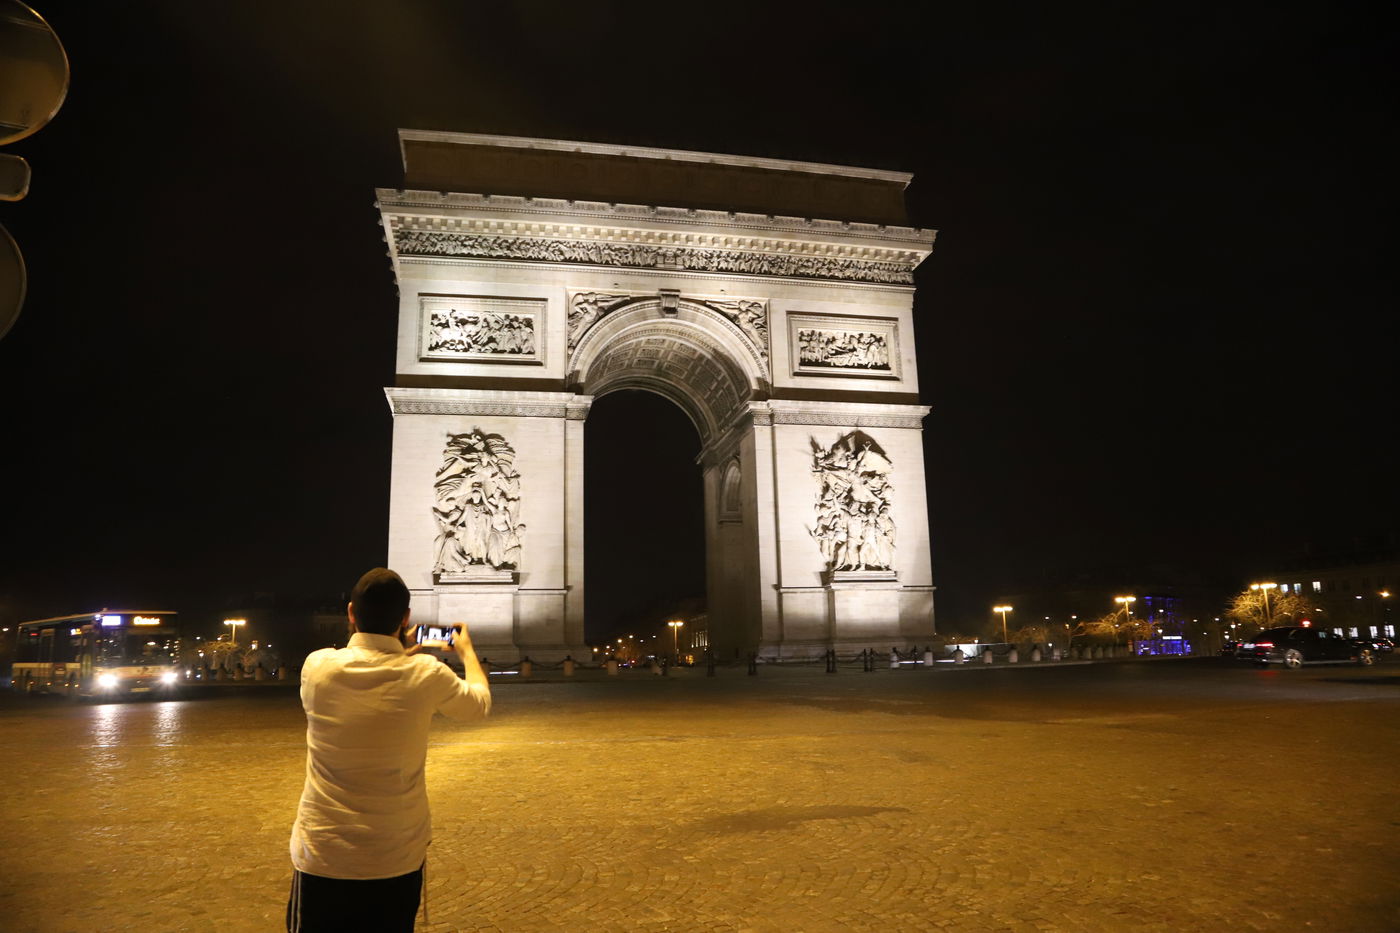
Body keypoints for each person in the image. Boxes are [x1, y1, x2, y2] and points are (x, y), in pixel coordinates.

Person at [287, 567, 491, 933]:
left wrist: (396, 651)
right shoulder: (426, 674)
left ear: (351, 612)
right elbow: (479, 704)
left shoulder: (317, 667)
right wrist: (467, 652)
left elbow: (371, 669)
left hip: (324, 854)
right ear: (406, 618)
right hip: (396, 856)